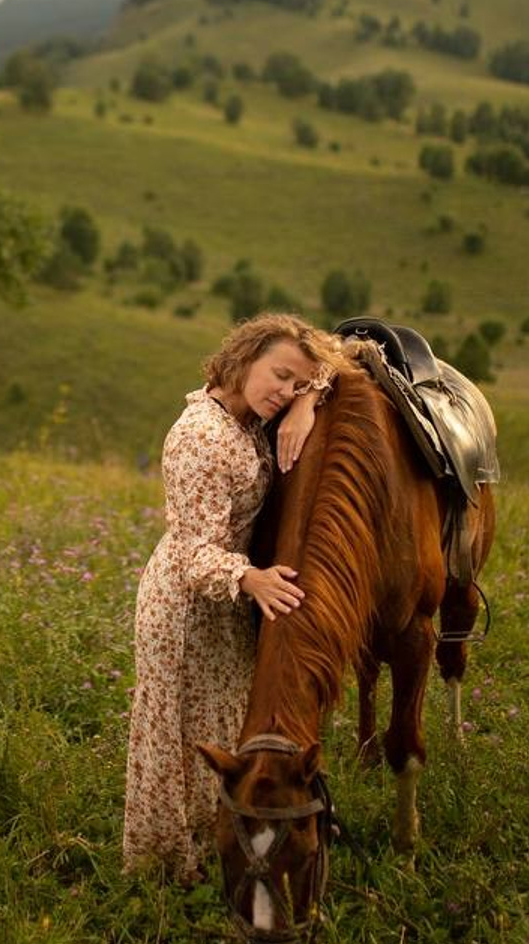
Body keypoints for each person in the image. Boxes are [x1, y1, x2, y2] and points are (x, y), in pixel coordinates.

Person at [121, 312, 343, 884]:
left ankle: (222, 841)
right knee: (178, 733)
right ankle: (167, 869)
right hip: (188, 603)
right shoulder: (200, 435)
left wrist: (305, 402)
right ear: (244, 358)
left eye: (295, 381)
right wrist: (253, 579)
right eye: (279, 376)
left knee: (220, 726)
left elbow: (343, 357)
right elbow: (196, 555)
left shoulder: (245, 417)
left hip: (224, 601)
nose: (284, 390)